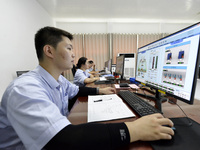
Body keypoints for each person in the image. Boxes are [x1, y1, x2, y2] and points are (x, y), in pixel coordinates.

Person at [0, 26, 174, 150]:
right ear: (49, 51)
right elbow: (61, 140)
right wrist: (134, 129)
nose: (74, 54)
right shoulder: (25, 88)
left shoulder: (58, 80)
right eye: (69, 48)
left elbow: (77, 90)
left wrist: (100, 91)